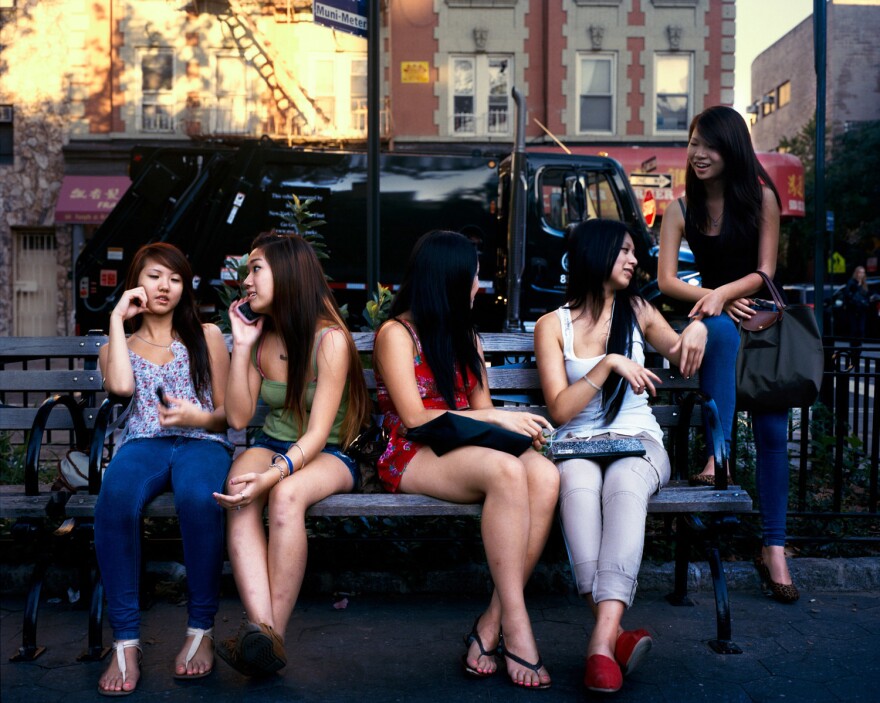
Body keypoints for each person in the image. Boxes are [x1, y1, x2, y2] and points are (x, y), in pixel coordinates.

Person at [373, 230, 559, 690]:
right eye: (474, 277)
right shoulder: (396, 334)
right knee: (506, 471)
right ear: (449, 280)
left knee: (547, 476)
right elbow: (415, 418)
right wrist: (498, 417)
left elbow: (480, 414)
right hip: (411, 450)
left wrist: (508, 424)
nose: (480, 286)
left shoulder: (464, 336)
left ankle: (491, 625)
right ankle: (519, 630)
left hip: (462, 447)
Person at [535, 219, 707, 693]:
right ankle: (614, 638)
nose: (635, 260)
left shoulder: (639, 310)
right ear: (597, 253)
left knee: (624, 485)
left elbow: (680, 353)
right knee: (578, 487)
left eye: (636, 252)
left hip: (639, 440)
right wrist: (609, 363)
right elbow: (559, 408)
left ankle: (598, 644)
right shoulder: (553, 326)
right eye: (626, 251)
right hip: (580, 443)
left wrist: (699, 332)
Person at [658, 105, 799, 603]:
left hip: (760, 325)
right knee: (715, 327)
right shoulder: (680, 209)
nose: (698, 153)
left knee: (772, 432)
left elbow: (766, 272)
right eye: (694, 143)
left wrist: (723, 293)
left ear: (731, 148)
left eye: (709, 145)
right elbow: (665, 279)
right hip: (716, 322)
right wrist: (713, 298)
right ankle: (718, 455)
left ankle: (774, 549)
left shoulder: (761, 199)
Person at [213, 232, 370, 677]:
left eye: (256, 268)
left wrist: (275, 475)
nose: (246, 280)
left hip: (330, 454)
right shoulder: (263, 339)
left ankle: (267, 633)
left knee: (285, 498)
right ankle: (265, 638)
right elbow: (240, 419)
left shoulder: (329, 341)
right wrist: (241, 345)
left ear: (287, 273)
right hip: (272, 443)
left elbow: (320, 433)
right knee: (238, 490)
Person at [95, 243, 233, 696]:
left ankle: (200, 630)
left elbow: (227, 415)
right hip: (143, 445)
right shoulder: (119, 343)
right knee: (115, 498)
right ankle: (126, 641)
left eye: (175, 279)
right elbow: (119, 387)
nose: (165, 287)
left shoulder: (207, 335)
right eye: (155, 276)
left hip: (202, 442)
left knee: (199, 498)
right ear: (137, 281)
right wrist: (117, 319)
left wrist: (197, 417)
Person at [844, 265, 870, 340]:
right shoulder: (852, 282)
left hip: (862, 309)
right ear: (856, 273)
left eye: (863, 273)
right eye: (860, 272)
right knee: (854, 329)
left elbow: (867, 295)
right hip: (853, 309)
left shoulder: (864, 284)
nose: (861, 274)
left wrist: (867, 301)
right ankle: (854, 346)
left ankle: (859, 345)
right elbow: (847, 294)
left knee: (861, 329)